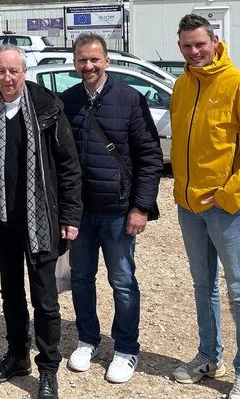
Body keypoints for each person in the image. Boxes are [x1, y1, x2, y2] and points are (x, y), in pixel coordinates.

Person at [0, 44, 84, 399]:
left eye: (13, 71)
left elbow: (68, 167)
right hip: (1, 221)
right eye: (1, 71)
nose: (7, 78)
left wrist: (71, 215)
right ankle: (18, 355)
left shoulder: (47, 108)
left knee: (45, 299)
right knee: (11, 293)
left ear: (24, 71)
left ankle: (48, 369)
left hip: (41, 219)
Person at [169, 14, 240, 399]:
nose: (194, 51)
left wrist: (230, 195)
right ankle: (207, 356)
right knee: (203, 286)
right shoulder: (181, 86)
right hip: (189, 207)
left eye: (200, 44)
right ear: (179, 46)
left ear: (215, 42)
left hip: (227, 209)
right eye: (186, 45)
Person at [59, 33, 163, 384]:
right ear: (75, 63)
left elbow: (149, 158)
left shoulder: (130, 99)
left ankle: (126, 348)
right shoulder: (67, 102)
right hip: (80, 212)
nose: (88, 66)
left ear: (107, 61)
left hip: (119, 211)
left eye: (94, 59)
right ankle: (87, 339)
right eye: (81, 60)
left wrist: (141, 207)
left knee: (121, 281)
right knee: (80, 278)